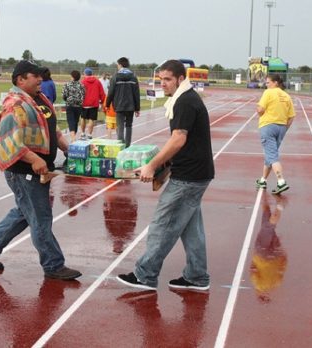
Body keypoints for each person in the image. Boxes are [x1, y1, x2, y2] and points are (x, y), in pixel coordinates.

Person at [0, 60, 81, 280]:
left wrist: (68, 149)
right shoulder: (16, 104)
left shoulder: (40, 99)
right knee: (40, 218)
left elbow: (53, 129)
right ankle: (53, 265)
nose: (41, 79)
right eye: (35, 76)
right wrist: (33, 159)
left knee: (24, 213)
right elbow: (8, 140)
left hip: (40, 169)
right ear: (21, 79)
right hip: (23, 171)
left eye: (40, 75)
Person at [116, 60, 215, 291]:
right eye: (160, 79)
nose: (163, 84)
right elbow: (182, 142)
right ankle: (197, 276)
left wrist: (152, 165)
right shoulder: (184, 99)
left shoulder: (185, 102)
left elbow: (179, 139)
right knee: (192, 230)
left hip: (189, 177)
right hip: (196, 173)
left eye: (167, 79)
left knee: (163, 224)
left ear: (181, 79)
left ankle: (145, 275)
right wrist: (162, 163)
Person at [255, 74, 295, 194]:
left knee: (272, 156)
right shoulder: (287, 96)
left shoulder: (268, 93)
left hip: (267, 126)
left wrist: (258, 109)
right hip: (281, 127)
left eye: (268, 82)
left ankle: (281, 181)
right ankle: (263, 180)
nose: (266, 85)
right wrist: (284, 129)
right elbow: (291, 117)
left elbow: (260, 109)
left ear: (275, 83)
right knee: (270, 154)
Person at [106, 57, 140, 147]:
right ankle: (128, 146)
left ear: (120, 65)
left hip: (119, 105)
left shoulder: (115, 77)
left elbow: (111, 92)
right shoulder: (133, 77)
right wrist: (137, 108)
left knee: (120, 126)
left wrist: (107, 104)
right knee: (129, 126)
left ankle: (121, 146)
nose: (117, 66)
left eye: (117, 64)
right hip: (131, 106)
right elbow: (136, 93)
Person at [80, 67, 105, 139]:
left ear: (85, 74)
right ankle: (90, 134)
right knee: (91, 119)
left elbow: (80, 93)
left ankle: (82, 133)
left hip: (84, 103)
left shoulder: (83, 82)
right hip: (94, 104)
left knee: (83, 118)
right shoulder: (97, 82)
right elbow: (102, 93)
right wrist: (102, 102)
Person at [62, 70, 85, 143]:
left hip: (70, 104)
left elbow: (64, 95)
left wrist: (67, 99)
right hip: (78, 105)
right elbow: (84, 95)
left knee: (71, 121)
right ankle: (73, 136)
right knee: (76, 121)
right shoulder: (81, 85)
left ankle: (73, 138)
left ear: (72, 77)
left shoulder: (67, 84)